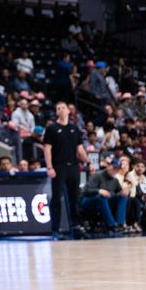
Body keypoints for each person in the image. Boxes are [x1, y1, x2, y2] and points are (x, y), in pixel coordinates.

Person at [43, 101, 87, 238]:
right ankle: (55, 229)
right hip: (58, 166)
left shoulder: (74, 129)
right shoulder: (52, 128)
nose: (61, 110)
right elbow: (47, 149)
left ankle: (76, 226)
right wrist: (49, 167)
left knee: (75, 197)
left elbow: (80, 149)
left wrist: (89, 162)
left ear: (69, 111)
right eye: (58, 108)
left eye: (63, 107)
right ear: (56, 112)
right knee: (56, 198)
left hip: (73, 167)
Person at [80, 160, 128, 233]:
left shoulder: (115, 180)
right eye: (113, 167)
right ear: (108, 166)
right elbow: (86, 191)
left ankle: (120, 223)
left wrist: (124, 192)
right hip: (88, 200)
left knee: (123, 197)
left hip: (105, 201)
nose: (115, 170)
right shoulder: (97, 175)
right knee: (101, 197)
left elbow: (118, 193)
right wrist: (99, 191)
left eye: (117, 169)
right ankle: (112, 225)